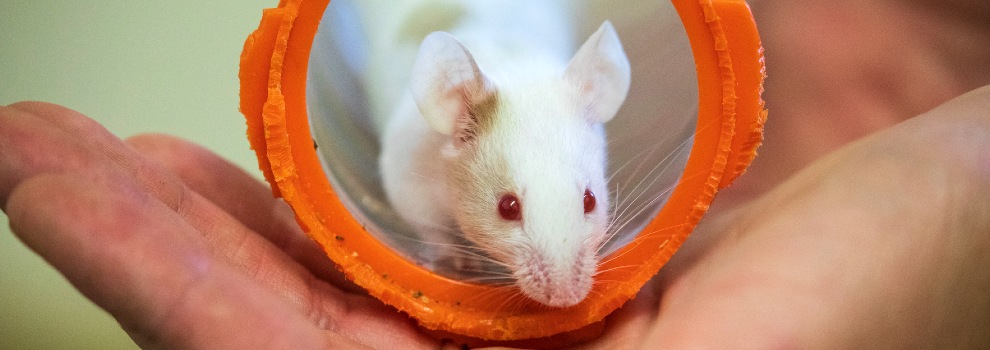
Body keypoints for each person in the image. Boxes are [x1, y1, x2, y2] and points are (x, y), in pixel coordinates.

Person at [1, 0, 987, 348]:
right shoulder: (440, 122)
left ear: (601, 101)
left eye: (591, 204)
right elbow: (398, 167)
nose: (563, 281)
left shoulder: (576, 98)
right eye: (513, 209)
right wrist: (431, 243)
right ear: (454, 118)